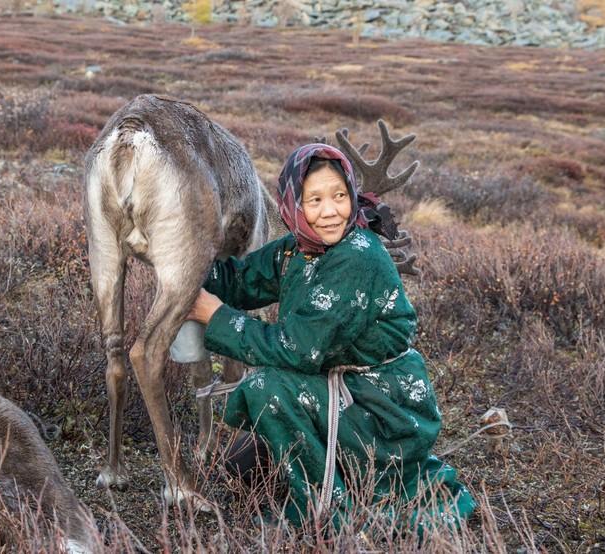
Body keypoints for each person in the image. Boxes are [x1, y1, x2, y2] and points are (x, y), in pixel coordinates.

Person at [186, 143, 476, 535]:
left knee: (264, 386)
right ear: (294, 205)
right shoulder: (298, 250)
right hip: (339, 389)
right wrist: (181, 262)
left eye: (340, 196)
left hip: (384, 408)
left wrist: (212, 315)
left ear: (352, 196)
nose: (330, 211)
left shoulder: (357, 257)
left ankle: (326, 514)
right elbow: (239, 280)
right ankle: (332, 473)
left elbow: (296, 348)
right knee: (242, 463)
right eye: (315, 200)